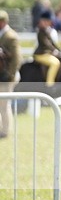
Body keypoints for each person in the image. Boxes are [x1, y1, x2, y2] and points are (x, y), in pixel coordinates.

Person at [0, 10, 21, 138]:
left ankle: (5, 130)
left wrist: (10, 75)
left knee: (4, 104)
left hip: (7, 76)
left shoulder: (11, 36)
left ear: (3, 22)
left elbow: (17, 59)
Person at [33, 10, 61, 88]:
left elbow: (52, 43)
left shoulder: (47, 30)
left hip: (46, 53)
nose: (47, 23)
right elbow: (46, 43)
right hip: (40, 54)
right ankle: (50, 84)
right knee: (55, 63)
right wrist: (54, 50)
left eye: (48, 21)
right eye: (45, 21)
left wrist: (60, 50)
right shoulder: (40, 31)